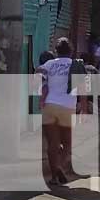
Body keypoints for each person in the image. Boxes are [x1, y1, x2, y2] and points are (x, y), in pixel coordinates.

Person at [36, 38, 86, 185]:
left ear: (56, 51)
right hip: (67, 106)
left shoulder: (49, 64)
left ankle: (53, 177)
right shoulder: (76, 65)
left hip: (49, 105)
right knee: (68, 143)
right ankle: (59, 167)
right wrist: (83, 107)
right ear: (71, 51)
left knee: (52, 144)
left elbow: (38, 75)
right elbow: (82, 87)